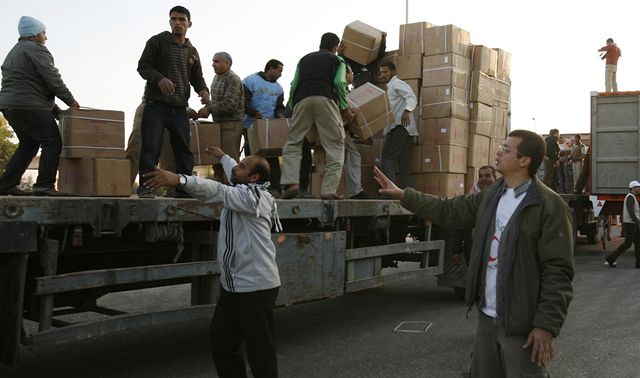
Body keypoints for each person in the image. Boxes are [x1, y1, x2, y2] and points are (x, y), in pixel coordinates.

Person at [374, 129, 574, 377]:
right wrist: (405, 196)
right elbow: (448, 210)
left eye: (506, 149)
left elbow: (558, 272)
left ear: (524, 160)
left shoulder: (549, 206)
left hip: (521, 325)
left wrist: (546, 325)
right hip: (487, 319)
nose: (498, 151)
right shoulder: (491, 196)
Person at [142, 146, 281, 378]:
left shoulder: (254, 197)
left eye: (242, 166)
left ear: (254, 177)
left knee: (260, 354)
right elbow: (232, 171)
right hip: (233, 288)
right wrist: (222, 156)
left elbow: (218, 190)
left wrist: (178, 179)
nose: (236, 168)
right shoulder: (244, 186)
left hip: (256, 289)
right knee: (222, 342)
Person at [0, 16, 80, 197]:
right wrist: (70, 101)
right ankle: (44, 185)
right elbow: (51, 78)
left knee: (29, 143)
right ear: (35, 34)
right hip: (28, 105)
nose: (46, 37)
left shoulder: (16, 51)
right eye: (44, 33)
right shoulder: (36, 49)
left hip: (10, 106)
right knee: (52, 142)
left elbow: (32, 84)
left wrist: (54, 109)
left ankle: (6, 184)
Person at [136, 6, 210, 198]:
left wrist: (203, 91)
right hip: (156, 104)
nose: (177, 23)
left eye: (181, 20)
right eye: (174, 19)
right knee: (151, 148)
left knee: (183, 151)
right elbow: (143, 67)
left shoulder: (192, 51)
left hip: (179, 108)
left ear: (189, 24)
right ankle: (146, 187)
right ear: (169, 22)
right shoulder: (157, 41)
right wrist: (159, 79)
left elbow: (197, 77)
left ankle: (184, 189)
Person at [280, 32, 351, 200]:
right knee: (335, 144)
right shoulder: (338, 60)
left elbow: (294, 83)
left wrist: (292, 105)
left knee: (293, 142)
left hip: (301, 101)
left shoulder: (304, 59)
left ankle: (292, 184)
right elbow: (339, 82)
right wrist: (344, 106)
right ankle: (328, 190)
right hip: (324, 98)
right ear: (335, 47)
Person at [125, 97, 199, 186]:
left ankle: (172, 190)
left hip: (175, 109)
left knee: (170, 154)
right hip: (152, 105)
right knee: (137, 148)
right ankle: (123, 187)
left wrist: (202, 91)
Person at [198, 52, 244, 183]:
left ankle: (235, 190)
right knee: (216, 160)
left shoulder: (233, 79)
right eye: (213, 61)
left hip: (231, 125)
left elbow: (230, 105)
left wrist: (208, 109)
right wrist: (207, 104)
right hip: (218, 124)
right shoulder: (216, 77)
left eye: (217, 61)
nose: (213, 64)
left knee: (229, 159)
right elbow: (218, 101)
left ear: (227, 63)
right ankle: (220, 189)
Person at [242, 59, 285, 194]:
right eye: (279, 70)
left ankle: (275, 187)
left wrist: (279, 114)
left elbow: (279, 106)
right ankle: (252, 187)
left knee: (272, 157)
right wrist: (254, 113)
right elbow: (243, 101)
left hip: (269, 127)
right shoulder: (251, 80)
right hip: (251, 125)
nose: (280, 74)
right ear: (270, 69)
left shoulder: (279, 88)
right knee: (252, 157)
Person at [378, 61, 418, 188]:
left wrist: (407, 111)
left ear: (393, 72)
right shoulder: (390, 87)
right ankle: (409, 196)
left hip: (399, 127)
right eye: (381, 72)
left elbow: (411, 97)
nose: (382, 75)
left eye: (385, 72)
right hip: (405, 129)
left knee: (386, 159)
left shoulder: (397, 84)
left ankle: (390, 193)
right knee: (404, 165)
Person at [343, 64, 372, 199]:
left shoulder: (346, 90)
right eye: (351, 73)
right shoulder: (341, 90)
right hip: (338, 129)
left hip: (343, 130)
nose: (353, 75)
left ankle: (354, 190)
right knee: (349, 156)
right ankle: (354, 191)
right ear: (345, 75)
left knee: (352, 155)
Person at [604, 180, 640, 268]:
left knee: (638, 243)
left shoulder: (633, 197)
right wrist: (638, 222)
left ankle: (638, 263)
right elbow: (631, 213)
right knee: (627, 243)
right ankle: (610, 258)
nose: (639, 189)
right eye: (638, 187)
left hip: (633, 224)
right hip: (630, 224)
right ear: (633, 188)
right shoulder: (630, 197)